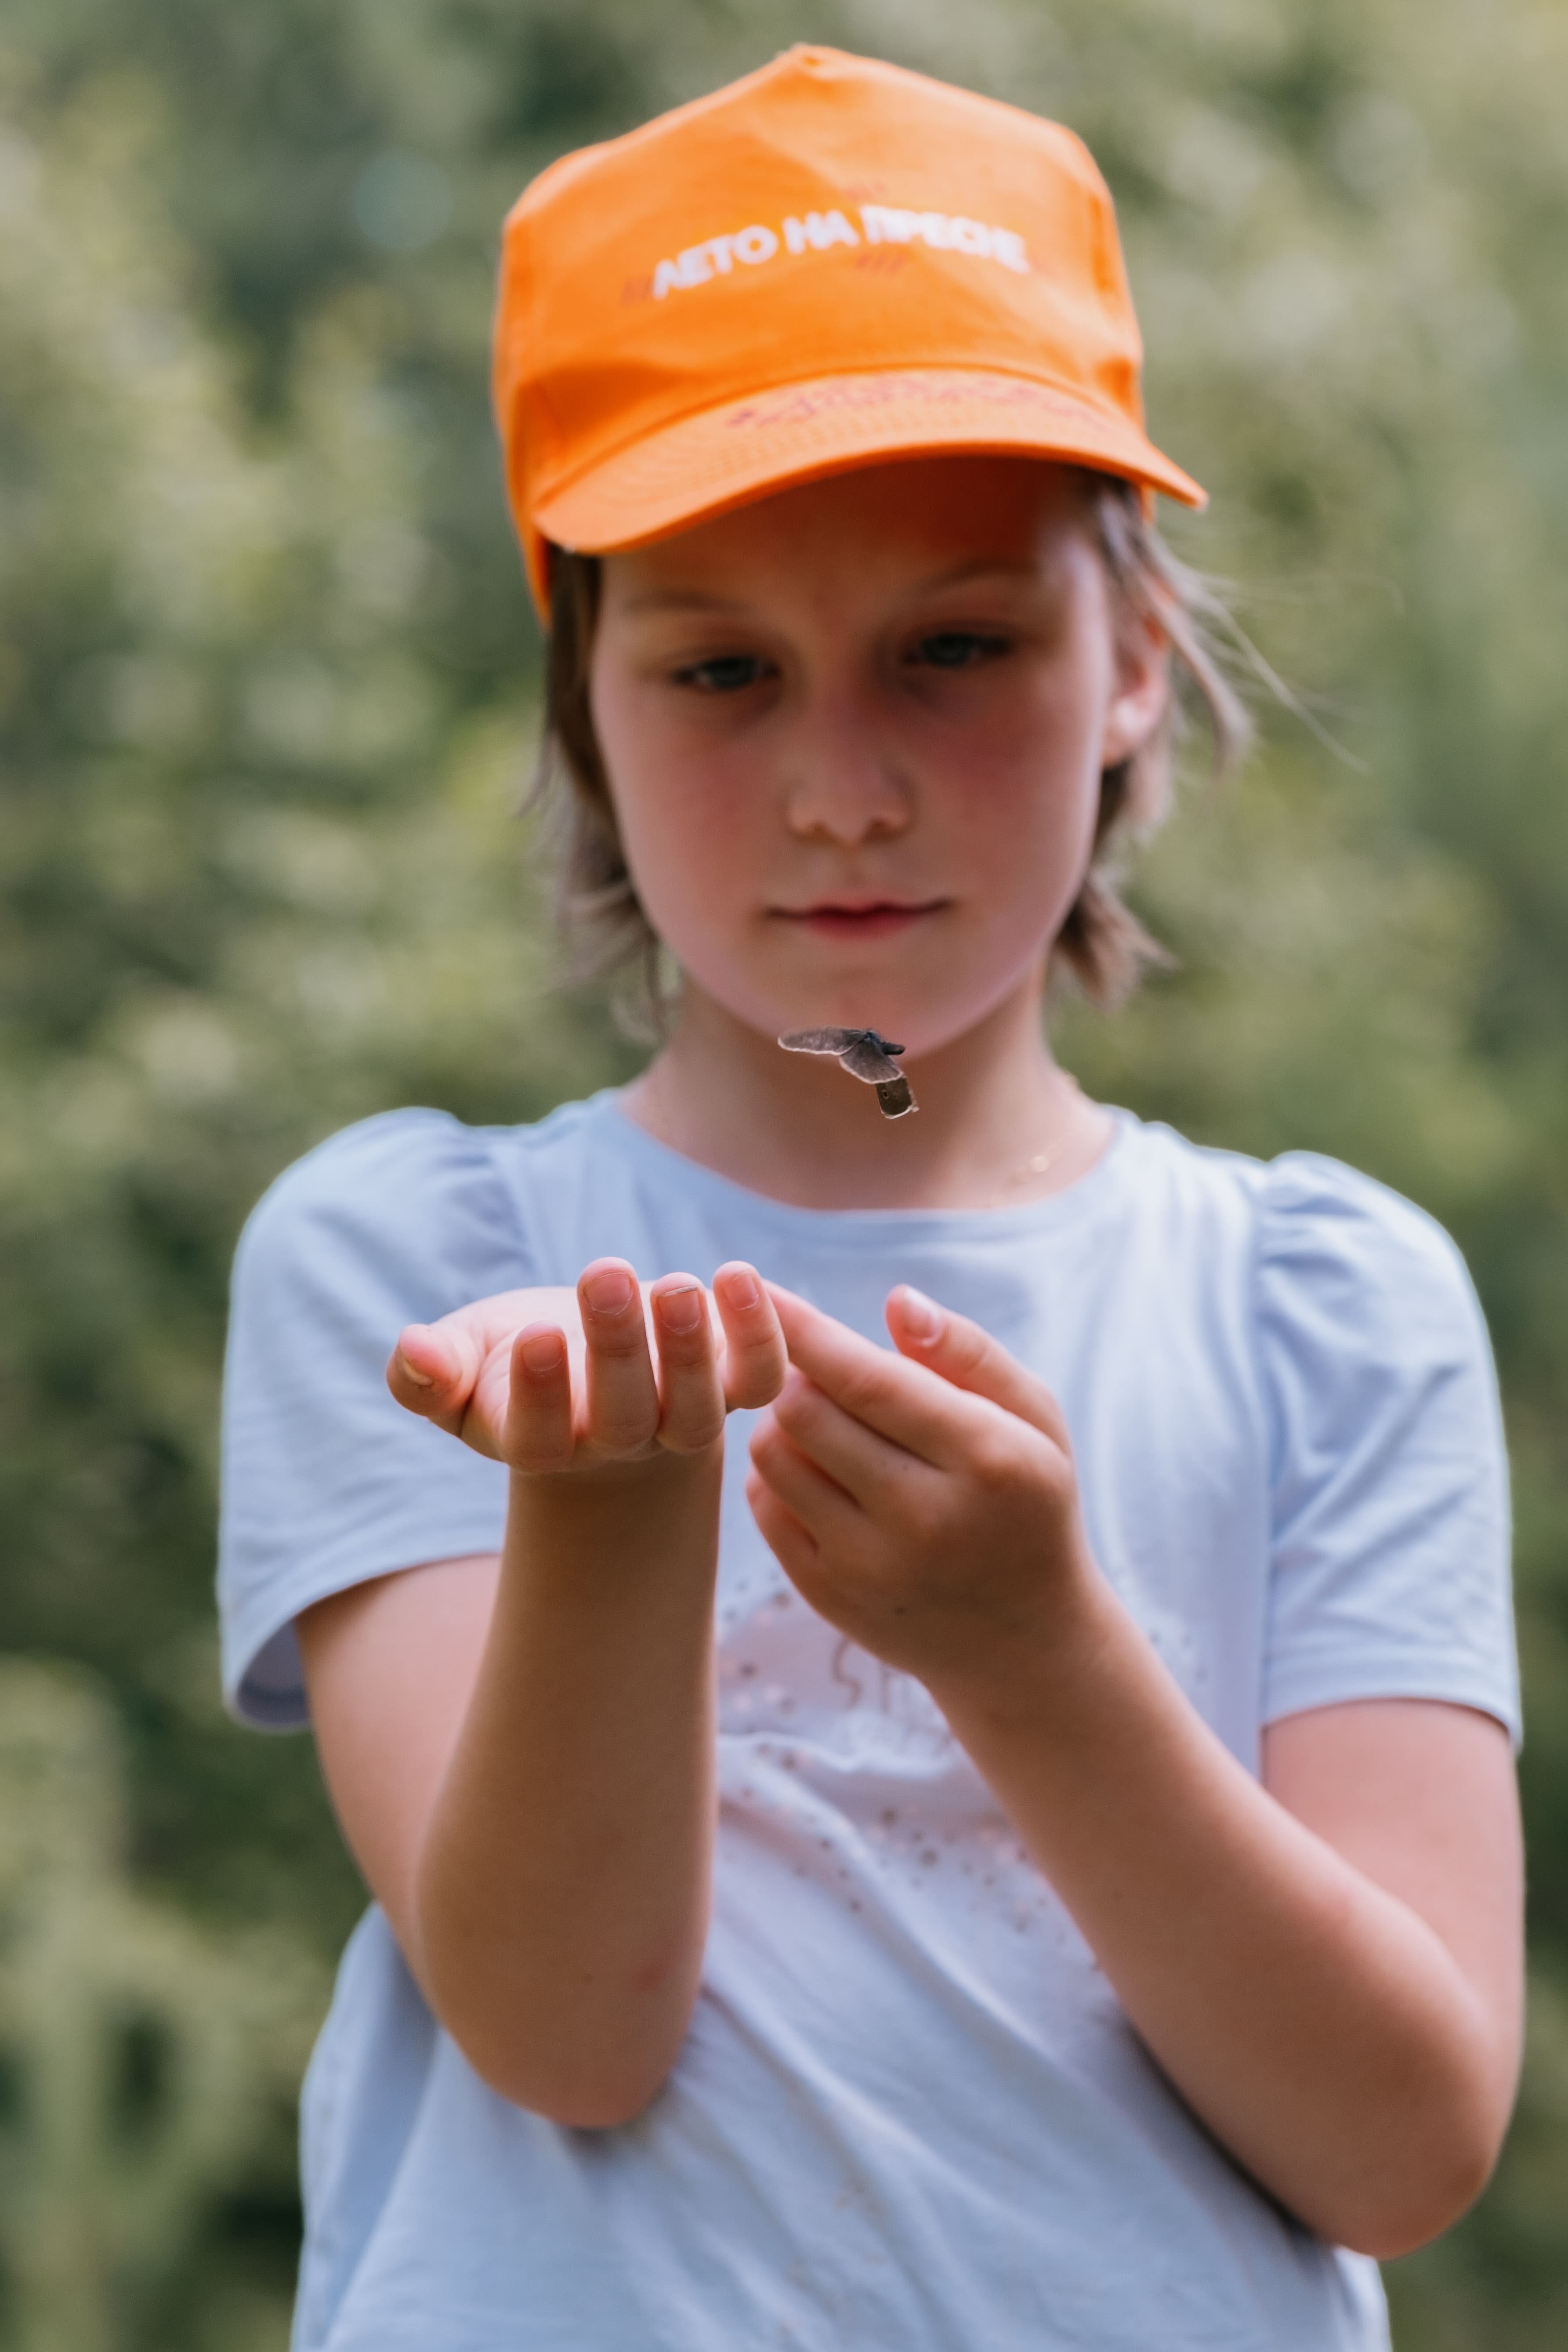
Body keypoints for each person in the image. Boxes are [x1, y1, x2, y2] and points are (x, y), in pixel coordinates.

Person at [218, 44, 1523, 2352]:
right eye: (720, 666)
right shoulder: (412, 1266)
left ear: (1129, 660)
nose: (840, 788)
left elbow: (1401, 2145)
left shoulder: (1324, 1300)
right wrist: (610, 1514)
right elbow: (558, 2033)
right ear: (580, 713)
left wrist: (1034, 1652)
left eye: (954, 647)